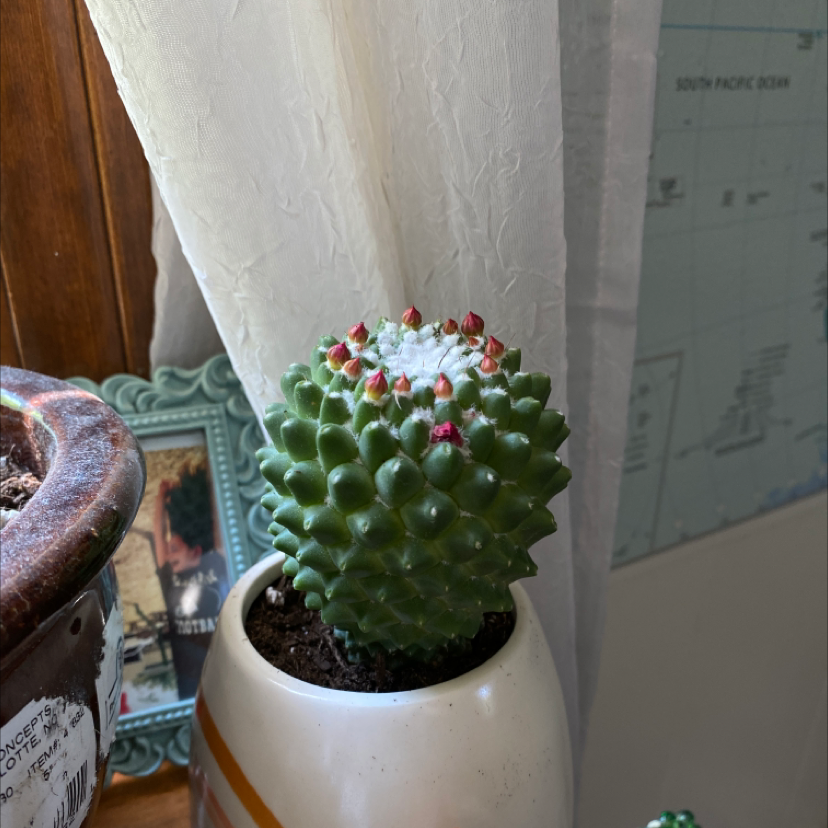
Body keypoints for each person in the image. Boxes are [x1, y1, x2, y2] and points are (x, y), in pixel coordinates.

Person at [153, 462, 229, 699]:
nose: (167, 553)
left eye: (173, 549)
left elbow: (218, 525)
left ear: (195, 551)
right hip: (189, 676)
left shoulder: (216, 560)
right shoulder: (170, 577)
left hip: (225, 666)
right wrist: (160, 498)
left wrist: (214, 488)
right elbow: (158, 530)